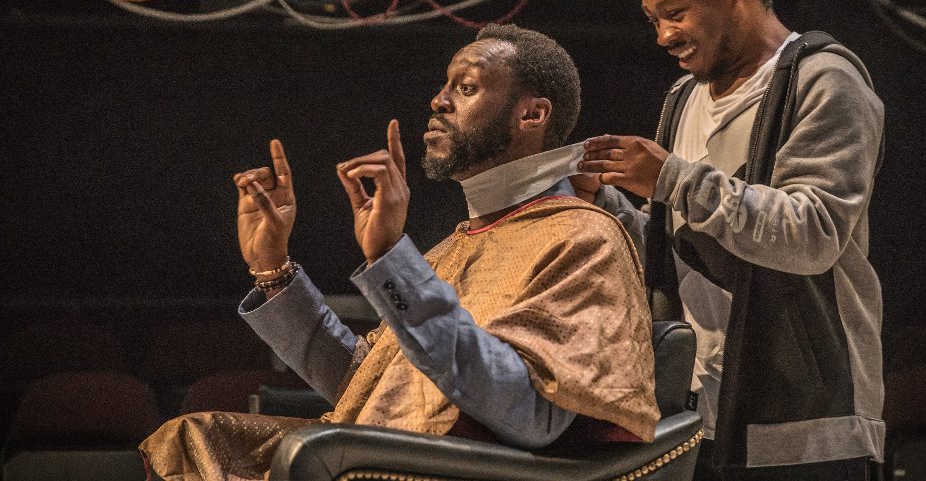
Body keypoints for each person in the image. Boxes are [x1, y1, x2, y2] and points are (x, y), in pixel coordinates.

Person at [139, 24, 659, 481]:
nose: (438, 101)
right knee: (190, 438)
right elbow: (367, 384)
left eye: (467, 87)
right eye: (445, 85)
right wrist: (273, 269)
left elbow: (532, 418)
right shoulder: (464, 240)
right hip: (388, 454)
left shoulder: (582, 237)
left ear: (532, 114)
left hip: (437, 469)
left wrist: (392, 256)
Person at [574, 0, 886, 481]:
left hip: (804, 430)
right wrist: (607, 204)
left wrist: (671, 178)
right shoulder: (683, 98)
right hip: (702, 418)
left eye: (675, 12)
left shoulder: (824, 81)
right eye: (653, 20)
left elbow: (813, 233)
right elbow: (682, 248)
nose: (663, 35)